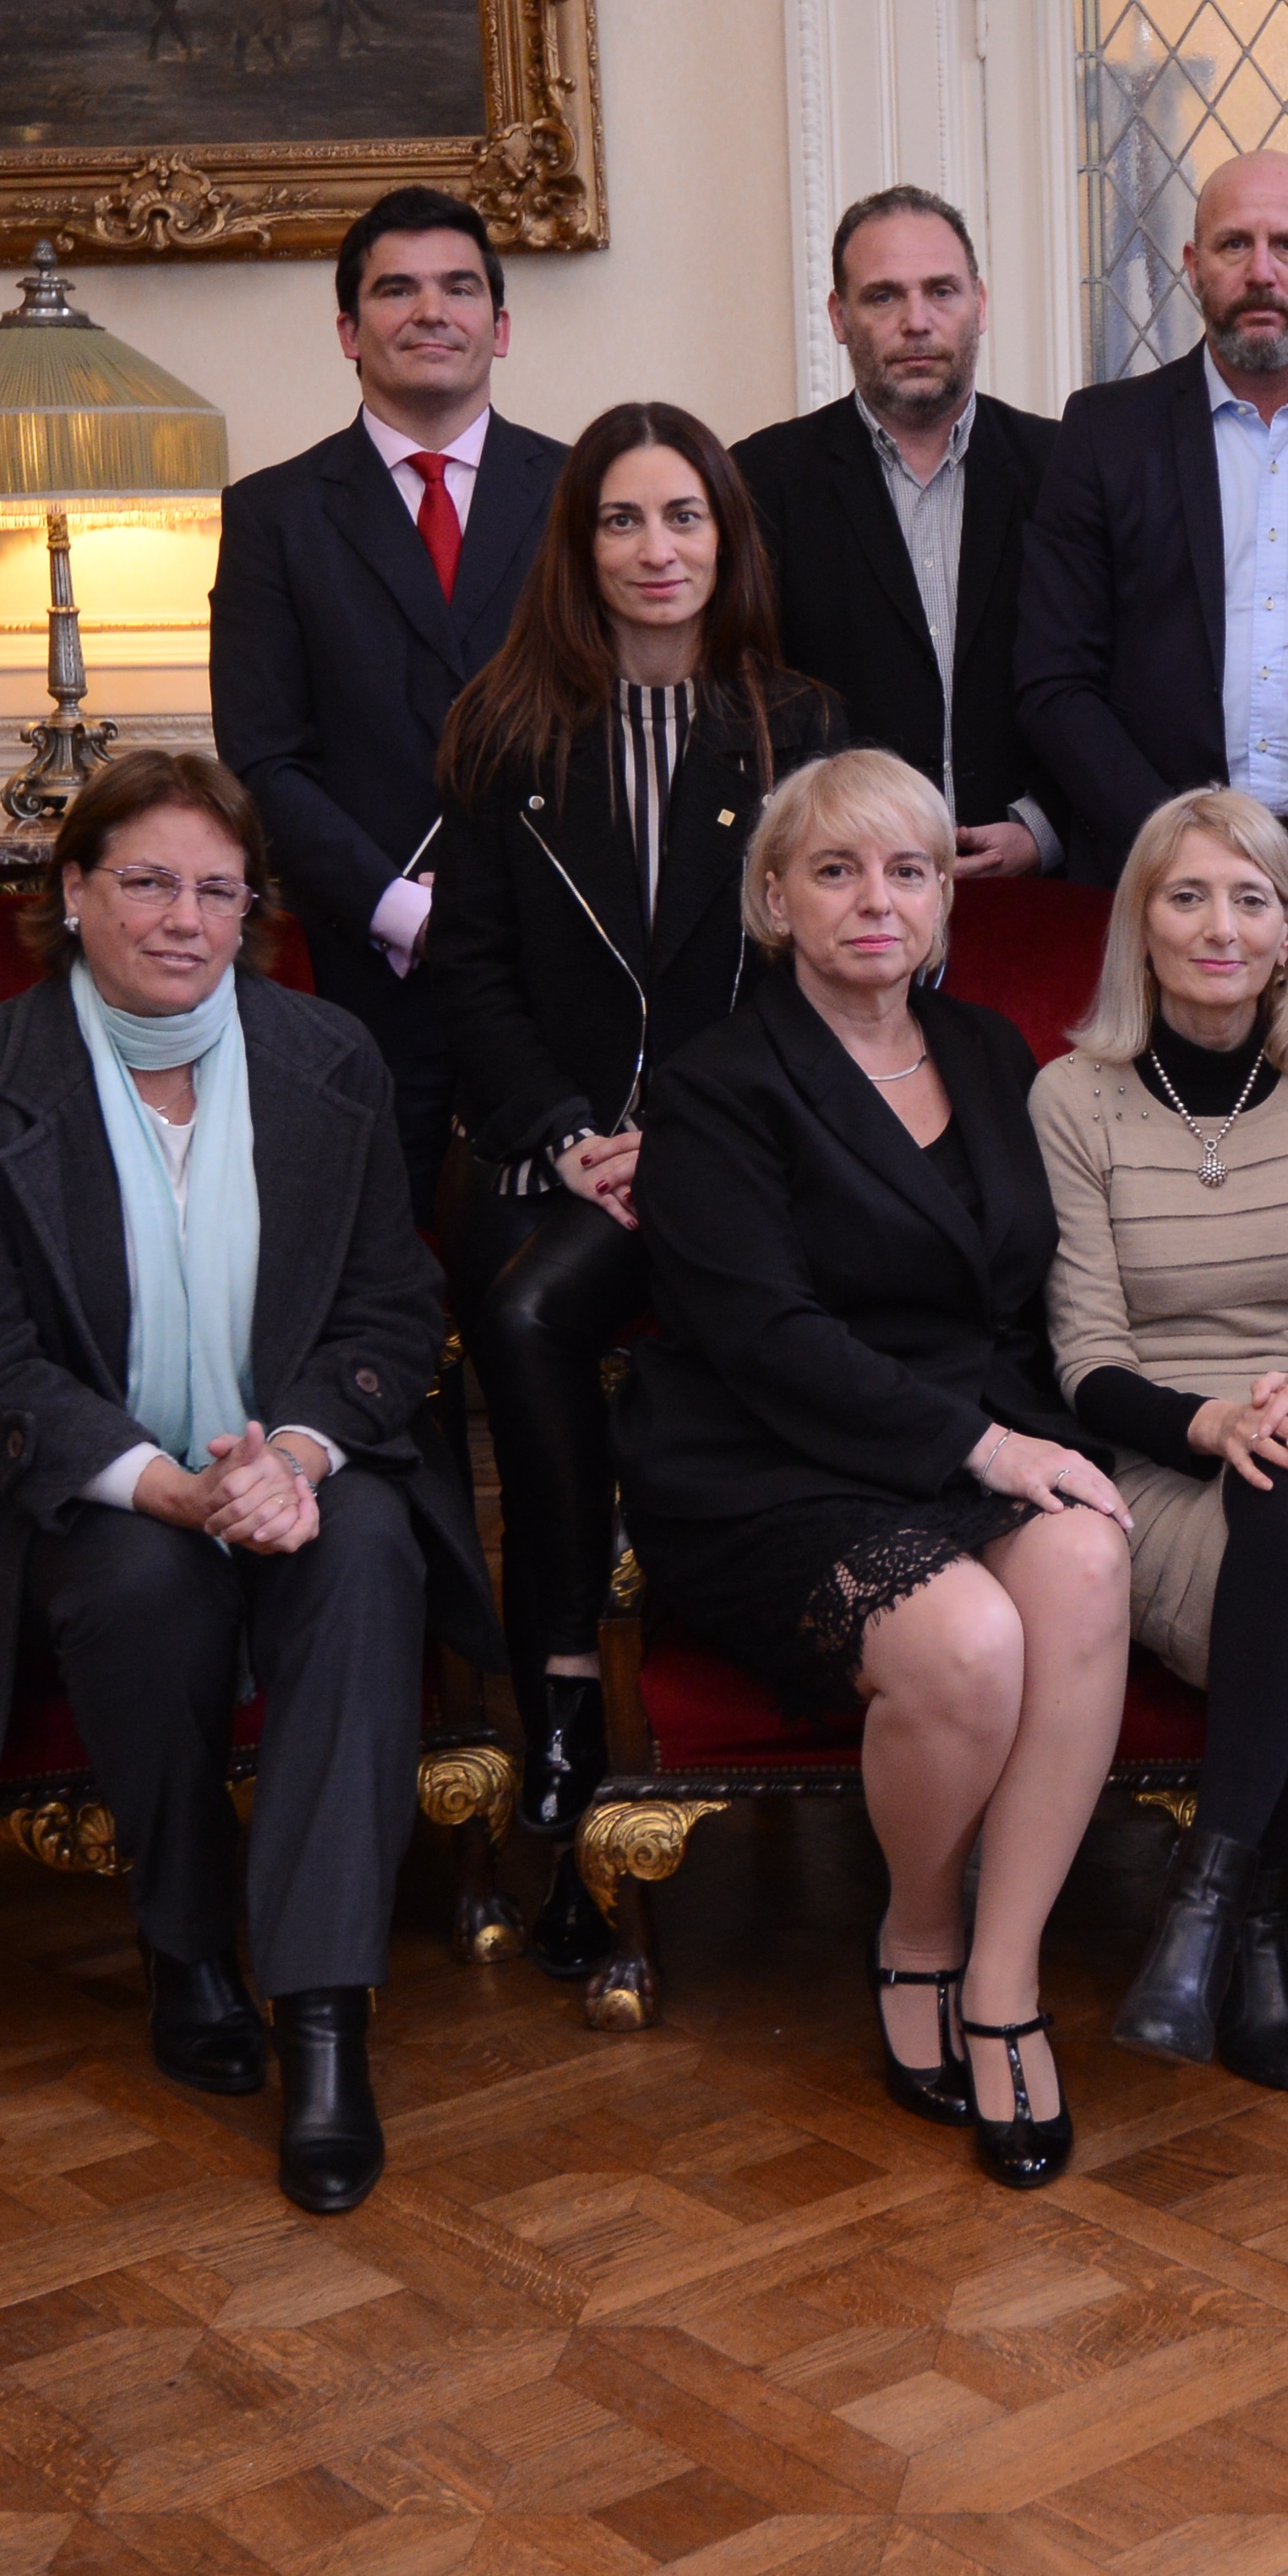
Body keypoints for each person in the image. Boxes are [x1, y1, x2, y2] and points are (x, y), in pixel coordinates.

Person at [0, 749, 490, 2216]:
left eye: (217, 889)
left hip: (301, 1460)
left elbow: (394, 1312)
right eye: (145, 882)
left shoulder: (329, 1057)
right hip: (89, 1485)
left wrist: (304, 1453)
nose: (184, 918)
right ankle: (189, 1946)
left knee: (363, 1556)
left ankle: (325, 2025)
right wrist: (168, 1489)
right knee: (145, 1588)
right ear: (74, 894)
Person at [612, 750, 1136, 2190]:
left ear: (944, 898)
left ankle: (1005, 1981)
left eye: (908, 870)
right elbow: (767, 1337)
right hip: (764, 1455)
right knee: (964, 1646)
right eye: (834, 871)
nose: (875, 900)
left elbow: (1029, 1279)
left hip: (973, 1421)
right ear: (775, 899)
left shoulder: (988, 1053)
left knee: (1091, 1554)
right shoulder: (715, 1085)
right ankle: (918, 1929)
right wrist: (988, 1447)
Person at [423, 401, 839, 1981]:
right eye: (622, 521)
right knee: (528, 1311)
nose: (656, 552)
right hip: (555, 1147)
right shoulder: (504, 724)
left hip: (750, 1151)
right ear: (578, 545)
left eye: (686, 520)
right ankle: (563, 1711)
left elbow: (834, 968)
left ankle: (645, 1696)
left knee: (567, 1317)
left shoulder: (799, 723)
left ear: (726, 542)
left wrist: (694, 1133)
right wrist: (568, 1129)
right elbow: (468, 972)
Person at [1034, 787, 1288, 2088]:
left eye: (1252, 898)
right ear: (1138, 926)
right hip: (1159, 1469)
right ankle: (1254, 1916)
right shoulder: (1071, 1100)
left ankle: (1199, 1897)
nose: (1220, 925)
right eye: (1187, 894)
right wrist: (1210, 1421)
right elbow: (1086, 1359)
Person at [213, 183, 575, 1214]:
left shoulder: (583, 494)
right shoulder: (273, 515)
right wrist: (405, 911)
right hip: (363, 971)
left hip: (558, 961)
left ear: (499, 327)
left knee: (546, 1277)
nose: (432, 310)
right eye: (397, 289)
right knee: (379, 1269)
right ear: (348, 328)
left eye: (461, 287)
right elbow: (263, 760)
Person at [1015, 150, 1288, 901]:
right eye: (1234, 245)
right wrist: (1178, 851)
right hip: (1151, 889)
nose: (1261, 272)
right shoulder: (1104, 434)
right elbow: (1054, 681)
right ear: (1194, 264)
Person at [734, 188, 1064, 877]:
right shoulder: (761, 481)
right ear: (839, 317)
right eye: (883, 297)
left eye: (941, 292)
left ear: (980, 302)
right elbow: (741, 701)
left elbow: (1114, 679)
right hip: (838, 902)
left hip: (1037, 902)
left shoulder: (1064, 468)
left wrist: (1045, 829)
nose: (917, 322)